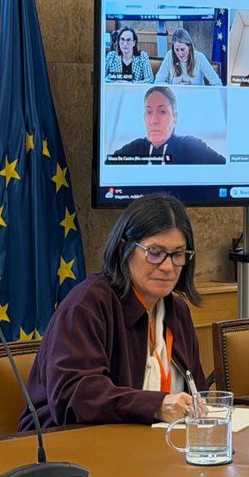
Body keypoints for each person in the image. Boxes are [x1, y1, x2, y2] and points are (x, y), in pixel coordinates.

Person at [24, 194, 210, 427]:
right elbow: (74, 395)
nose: (167, 266)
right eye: (155, 252)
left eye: (178, 254)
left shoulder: (178, 311)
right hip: (72, 447)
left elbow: (197, 395)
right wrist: (156, 405)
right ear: (125, 249)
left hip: (156, 448)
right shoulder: (87, 305)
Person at [108, 85, 225, 165]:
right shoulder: (133, 149)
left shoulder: (190, 146)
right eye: (149, 112)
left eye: (162, 111)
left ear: (175, 117)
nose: (154, 120)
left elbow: (224, 170)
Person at [155, 28, 220, 86]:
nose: (180, 54)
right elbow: (158, 82)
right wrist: (175, 87)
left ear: (189, 47)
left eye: (182, 49)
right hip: (175, 97)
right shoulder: (170, 55)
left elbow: (217, 83)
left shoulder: (199, 57)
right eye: (176, 50)